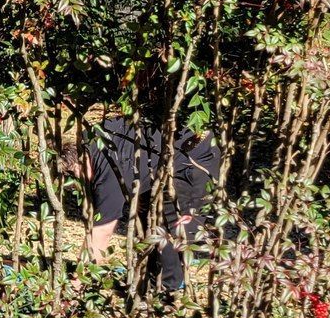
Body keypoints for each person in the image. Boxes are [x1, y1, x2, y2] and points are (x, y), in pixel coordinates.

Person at [65, 115, 218, 292]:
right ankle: (151, 280)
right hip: (159, 158)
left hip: (193, 159)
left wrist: (77, 282)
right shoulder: (89, 138)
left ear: (81, 162)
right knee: (147, 216)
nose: (83, 183)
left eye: (77, 175)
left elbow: (103, 231)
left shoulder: (108, 175)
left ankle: (168, 288)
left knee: (166, 228)